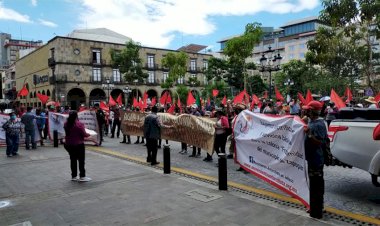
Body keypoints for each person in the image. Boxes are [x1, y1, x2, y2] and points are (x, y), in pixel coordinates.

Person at [303, 101, 328, 219]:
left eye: (308, 109)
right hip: (311, 158)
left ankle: (317, 210)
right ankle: (315, 206)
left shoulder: (319, 124)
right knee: (314, 184)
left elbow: (320, 142)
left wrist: (309, 135)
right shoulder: (312, 122)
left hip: (316, 159)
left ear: (314, 111)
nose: (306, 111)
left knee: (316, 185)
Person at [64, 111, 92, 182]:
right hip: (79, 145)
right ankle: (82, 176)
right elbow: (84, 134)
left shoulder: (66, 124)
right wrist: (89, 134)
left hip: (69, 145)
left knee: (73, 160)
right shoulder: (79, 124)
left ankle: (74, 176)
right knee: (81, 161)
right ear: (76, 116)